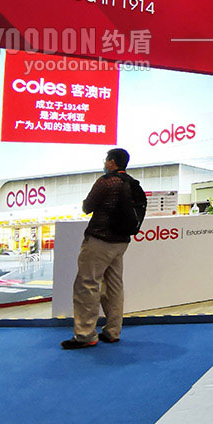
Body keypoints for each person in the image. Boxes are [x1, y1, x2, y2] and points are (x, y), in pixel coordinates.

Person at [61, 147, 142, 350]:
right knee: (114, 285)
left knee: (87, 284)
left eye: (106, 160)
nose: (105, 164)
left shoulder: (106, 182)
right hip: (121, 242)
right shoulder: (131, 183)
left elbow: (87, 207)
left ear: (112, 162)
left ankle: (85, 334)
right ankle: (113, 331)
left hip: (100, 239)